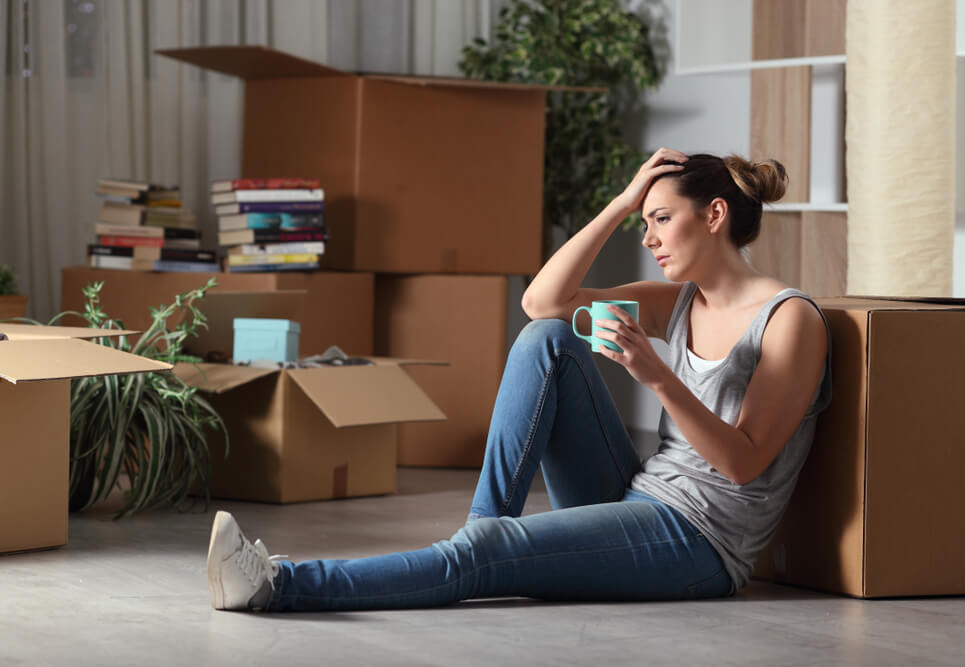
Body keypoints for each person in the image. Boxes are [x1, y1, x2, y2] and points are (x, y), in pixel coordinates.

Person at [206, 148, 833, 612]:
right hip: (638, 495)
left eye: (661, 220)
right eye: (643, 223)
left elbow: (744, 465)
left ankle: (277, 585)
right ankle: (482, 536)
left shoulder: (788, 321)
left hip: (699, 542)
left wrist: (656, 376)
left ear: (715, 214)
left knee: (487, 556)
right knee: (548, 341)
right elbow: (542, 304)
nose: (649, 240)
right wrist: (620, 203)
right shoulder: (680, 302)